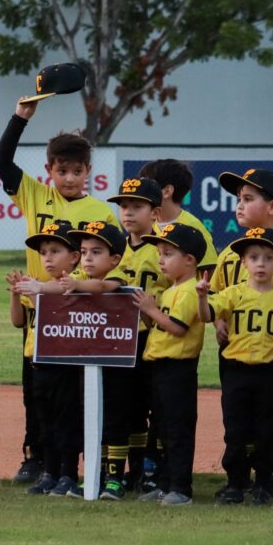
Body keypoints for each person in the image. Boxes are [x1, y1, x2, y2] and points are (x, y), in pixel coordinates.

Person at [0, 96, 119, 484]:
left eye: (76, 171)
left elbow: (108, 262)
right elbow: (1, 161)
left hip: (77, 308)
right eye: (61, 170)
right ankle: (37, 457)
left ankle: (69, 464)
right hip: (37, 306)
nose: (68, 177)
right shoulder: (35, 195)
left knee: (72, 394)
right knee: (37, 390)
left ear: (89, 172)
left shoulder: (99, 213)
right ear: (49, 169)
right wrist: (20, 118)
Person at [211, 168, 273, 495]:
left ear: (272, 207)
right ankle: (239, 478)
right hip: (236, 351)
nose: (239, 206)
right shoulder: (232, 252)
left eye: (248, 199)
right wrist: (218, 321)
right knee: (237, 420)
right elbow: (219, 296)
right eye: (238, 199)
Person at [198, 227, 273, 506]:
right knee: (235, 428)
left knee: (266, 429)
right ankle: (236, 481)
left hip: (270, 371)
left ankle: (264, 483)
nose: (260, 264)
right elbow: (207, 314)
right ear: (243, 262)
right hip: (237, 369)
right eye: (253, 257)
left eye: (268, 258)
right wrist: (201, 296)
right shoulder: (232, 294)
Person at [133, 222, 210, 506]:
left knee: (177, 430)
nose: (160, 260)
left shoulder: (190, 290)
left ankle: (181, 487)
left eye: (167, 254)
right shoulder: (169, 290)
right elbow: (158, 325)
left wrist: (151, 309)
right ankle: (165, 484)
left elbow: (177, 328)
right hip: (160, 367)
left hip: (179, 370)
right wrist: (145, 312)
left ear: (189, 260)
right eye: (160, 253)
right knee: (162, 429)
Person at [12, 220, 84, 497]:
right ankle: (49, 473)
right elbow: (20, 321)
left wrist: (37, 288)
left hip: (65, 366)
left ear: (74, 257)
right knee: (46, 423)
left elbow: (64, 291)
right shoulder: (40, 286)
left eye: (55, 250)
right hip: (38, 364)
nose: (47, 257)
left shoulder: (75, 283)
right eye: (43, 252)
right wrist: (19, 294)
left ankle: (68, 474)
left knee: (67, 422)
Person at [107, 176, 167, 492]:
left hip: (153, 338)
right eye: (124, 206)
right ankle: (132, 470)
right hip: (119, 340)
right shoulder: (115, 248)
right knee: (126, 407)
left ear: (155, 212)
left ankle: (151, 469)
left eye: (137, 206)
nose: (128, 213)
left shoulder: (163, 248)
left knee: (153, 407)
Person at [139, 159, 218, 275]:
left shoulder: (192, 227)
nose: (140, 192)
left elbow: (209, 273)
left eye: (147, 187)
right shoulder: (147, 224)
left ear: (167, 191)